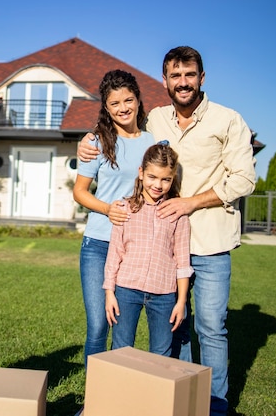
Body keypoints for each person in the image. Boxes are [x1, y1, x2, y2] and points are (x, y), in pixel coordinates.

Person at [77, 46, 256, 416]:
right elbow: (111, 148)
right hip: (147, 245)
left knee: (210, 327)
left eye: (189, 75)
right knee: (173, 329)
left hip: (206, 239)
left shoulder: (226, 120)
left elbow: (244, 179)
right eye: (175, 76)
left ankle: (214, 406)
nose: (183, 82)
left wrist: (190, 203)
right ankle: (168, 399)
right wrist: (81, 144)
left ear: (201, 78)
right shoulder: (157, 121)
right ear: (164, 82)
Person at [73, 69, 155, 368]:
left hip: (133, 248)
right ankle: (92, 398)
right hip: (98, 244)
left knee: (122, 328)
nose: (123, 108)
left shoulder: (154, 143)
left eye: (128, 100)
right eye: (115, 104)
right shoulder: (96, 142)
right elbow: (80, 192)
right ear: (106, 108)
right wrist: (108, 209)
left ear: (138, 99)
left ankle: (118, 392)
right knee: (98, 324)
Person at [104, 142, 193, 357]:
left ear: (173, 180)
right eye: (152, 177)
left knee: (161, 354)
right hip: (126, 290)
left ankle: (156, 392)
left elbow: (182, 262)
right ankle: (119, 391)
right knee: (121, 349)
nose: (158, 185)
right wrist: (109, 293)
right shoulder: (125, 209)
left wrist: (181, 302)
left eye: (166, 179)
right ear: (141, 173)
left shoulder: (177, 214)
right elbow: (114, 253)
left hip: (164, 295)